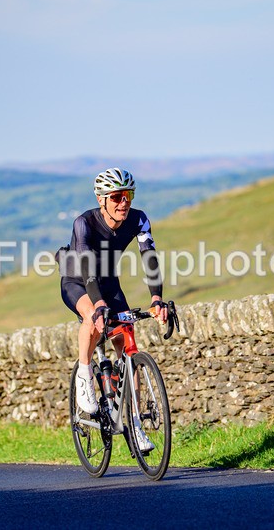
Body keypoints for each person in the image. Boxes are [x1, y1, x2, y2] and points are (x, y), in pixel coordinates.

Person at [59, 167, 168, 452]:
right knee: (93, 320)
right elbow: (86, 269)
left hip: (109, 282)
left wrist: (156, 299)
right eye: (116, 197)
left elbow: (150, 259)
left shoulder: (139, 219)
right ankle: (84, 375)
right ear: (101, 199)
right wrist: (97, 305)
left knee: (127, 344)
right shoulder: (83, 223)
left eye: (128, 195)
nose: (124, 203)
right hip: (77, 280)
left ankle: (134, 424)